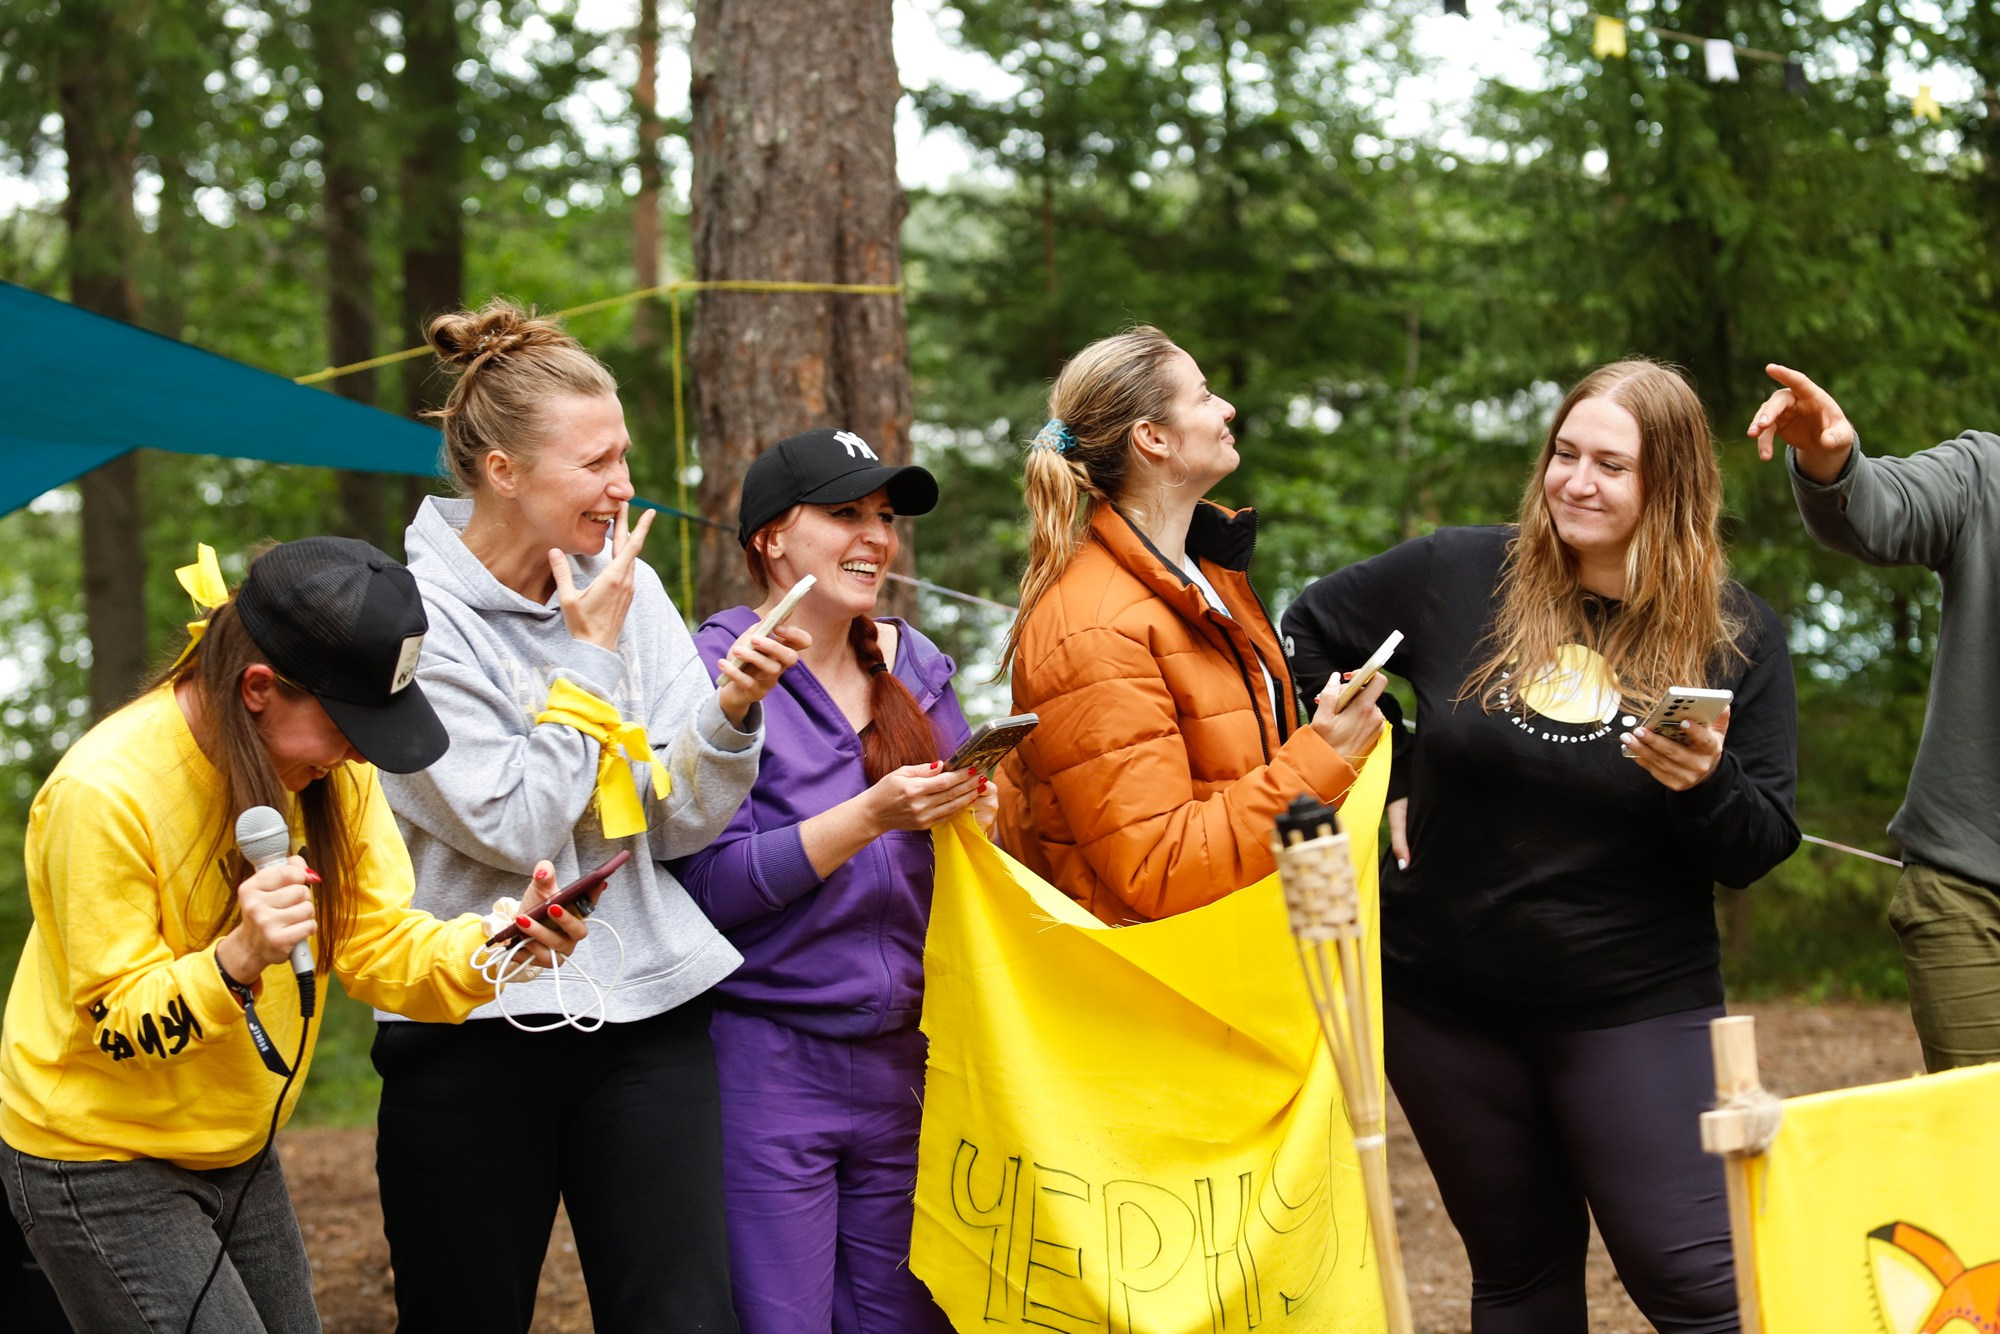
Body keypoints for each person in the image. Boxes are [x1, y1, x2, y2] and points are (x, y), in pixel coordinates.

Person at [1283, 359, 1799, 1333]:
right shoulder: (1454, 574)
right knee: (1517, 1273)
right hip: (1441, 998)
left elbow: (1757, 841)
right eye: (1564, 453)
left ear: (1670, 486)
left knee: (1696, 1287)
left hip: (1629, 1004)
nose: (1575, 480)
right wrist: (1385, 768)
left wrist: (1705, 784)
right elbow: (1304, 627)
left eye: (1610, 464)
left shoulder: (1731, 634)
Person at [0, 537, 587, 1334]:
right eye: (347, 724)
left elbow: (377, 944)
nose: (357, 753)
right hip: (100, 1154)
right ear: (257, 688)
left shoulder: (330, 770)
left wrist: (497, 944)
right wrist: (235, 963)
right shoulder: (103, 794)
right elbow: (115, 1023)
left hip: (234, 1141)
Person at [371, 300, 801, 1334]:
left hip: (645, 1014)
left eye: (625, 456)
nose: (622, 486)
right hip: (470, 1023)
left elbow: (678, 820)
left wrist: (728, 712)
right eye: (596, 462)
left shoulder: (630, 586)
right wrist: (590, 655)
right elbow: (512, 824)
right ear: (503, 470)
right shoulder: (406, 617)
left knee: (684, 1314)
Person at [673, 428, 983, 1334]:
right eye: (844, 514)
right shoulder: (716, 674)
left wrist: (984, 822)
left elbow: (953, 854)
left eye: (883, 519)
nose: (875, 538)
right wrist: (869, 818)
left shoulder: (918, 669)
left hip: (911, 1060)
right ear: (771, 538)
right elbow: (703, 892)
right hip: (765, 1061)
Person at [993, 326, 1385, 925]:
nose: (1226, 408)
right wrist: (1323, 757)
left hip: (1231, 952)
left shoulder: (1199, 575)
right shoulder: (1095, 630)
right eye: (1202, 397)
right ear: (1151, 438)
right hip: (1157, 986)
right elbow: (1159, 867)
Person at [1748, 363, 2000, 1071]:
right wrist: (1830, 460)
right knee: (1986, 1163)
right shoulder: (1986, 476)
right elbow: (1882, 507)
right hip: (1973, 893)